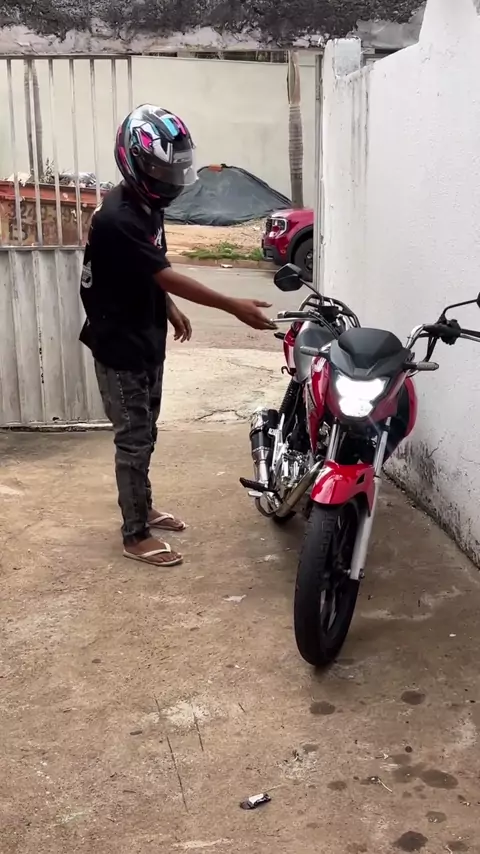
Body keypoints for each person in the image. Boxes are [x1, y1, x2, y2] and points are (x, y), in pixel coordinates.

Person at [80, 104, 275, 568]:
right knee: (133, 440)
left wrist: (168, 309)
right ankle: (134, 535)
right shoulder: (118, 217)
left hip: (144, 335)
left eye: (173, 171)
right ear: (134, 162)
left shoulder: (148, 207)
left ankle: (143, 506)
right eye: (161, 171)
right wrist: (232, 305)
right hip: (119, 346)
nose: (169, 180)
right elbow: (165, 274)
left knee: (146, 433)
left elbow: (147, 270)